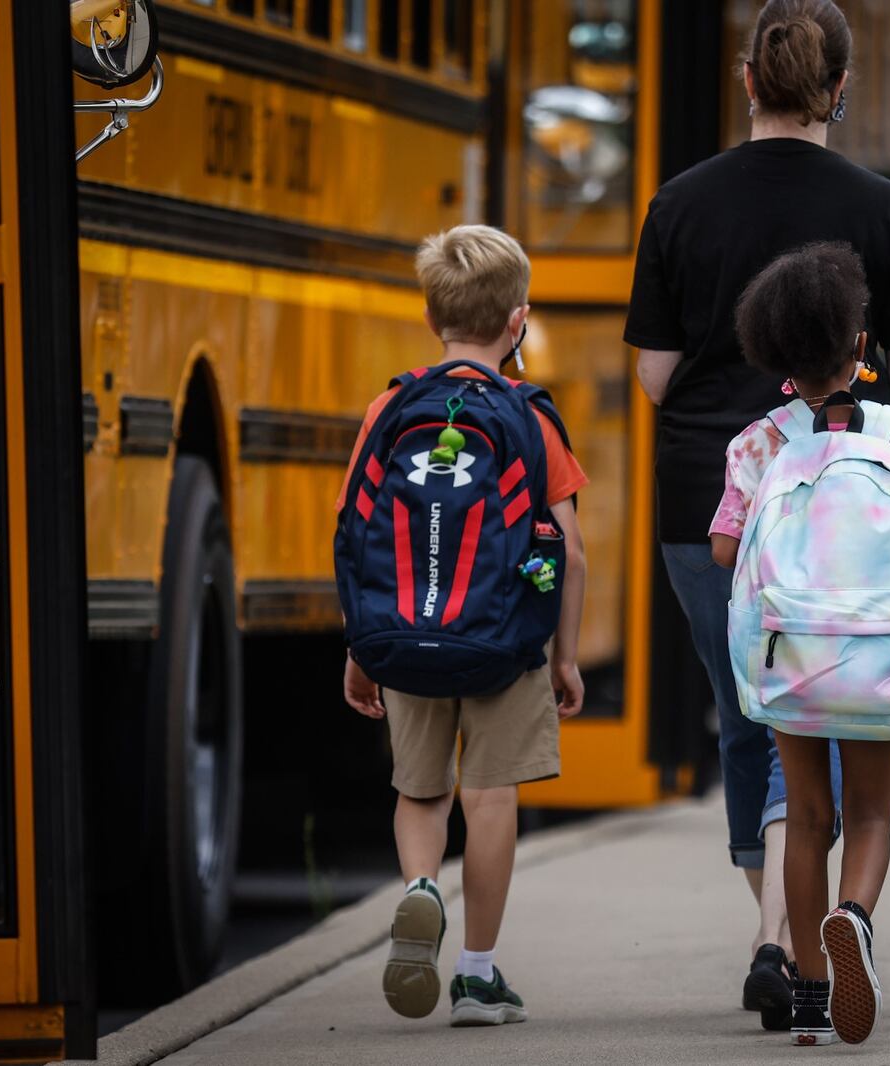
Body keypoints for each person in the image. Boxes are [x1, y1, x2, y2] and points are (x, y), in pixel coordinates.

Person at [623, 0, 890, 1028]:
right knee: (824, 721)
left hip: (712, 498)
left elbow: (654, 377)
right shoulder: (888, 207)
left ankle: (779, 940)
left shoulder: (678, 202)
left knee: (752, 715)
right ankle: (802, 936)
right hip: (856, 515)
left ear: (746, 79)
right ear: (840, 90)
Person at [338, 225, 588, 1026]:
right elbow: (570, 553)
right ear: (517, 322)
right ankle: (477, 975)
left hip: (405, 634)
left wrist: (360, 647)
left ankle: (419, 890)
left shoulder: (390, 407)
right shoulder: (528, 416)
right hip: (505, 644)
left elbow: (356, 530)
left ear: (429, 314)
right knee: (488, 797)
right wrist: (565, 659)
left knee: (421, 791)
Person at [709, 243, 890, 1045]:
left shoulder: (758, 442)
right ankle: (853, 919)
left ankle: (811, 992)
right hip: (880, 652)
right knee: (871, 813)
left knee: (808, 816)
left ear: (773, 352)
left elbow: (723, 548)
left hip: (794, 657)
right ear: (861, 346)